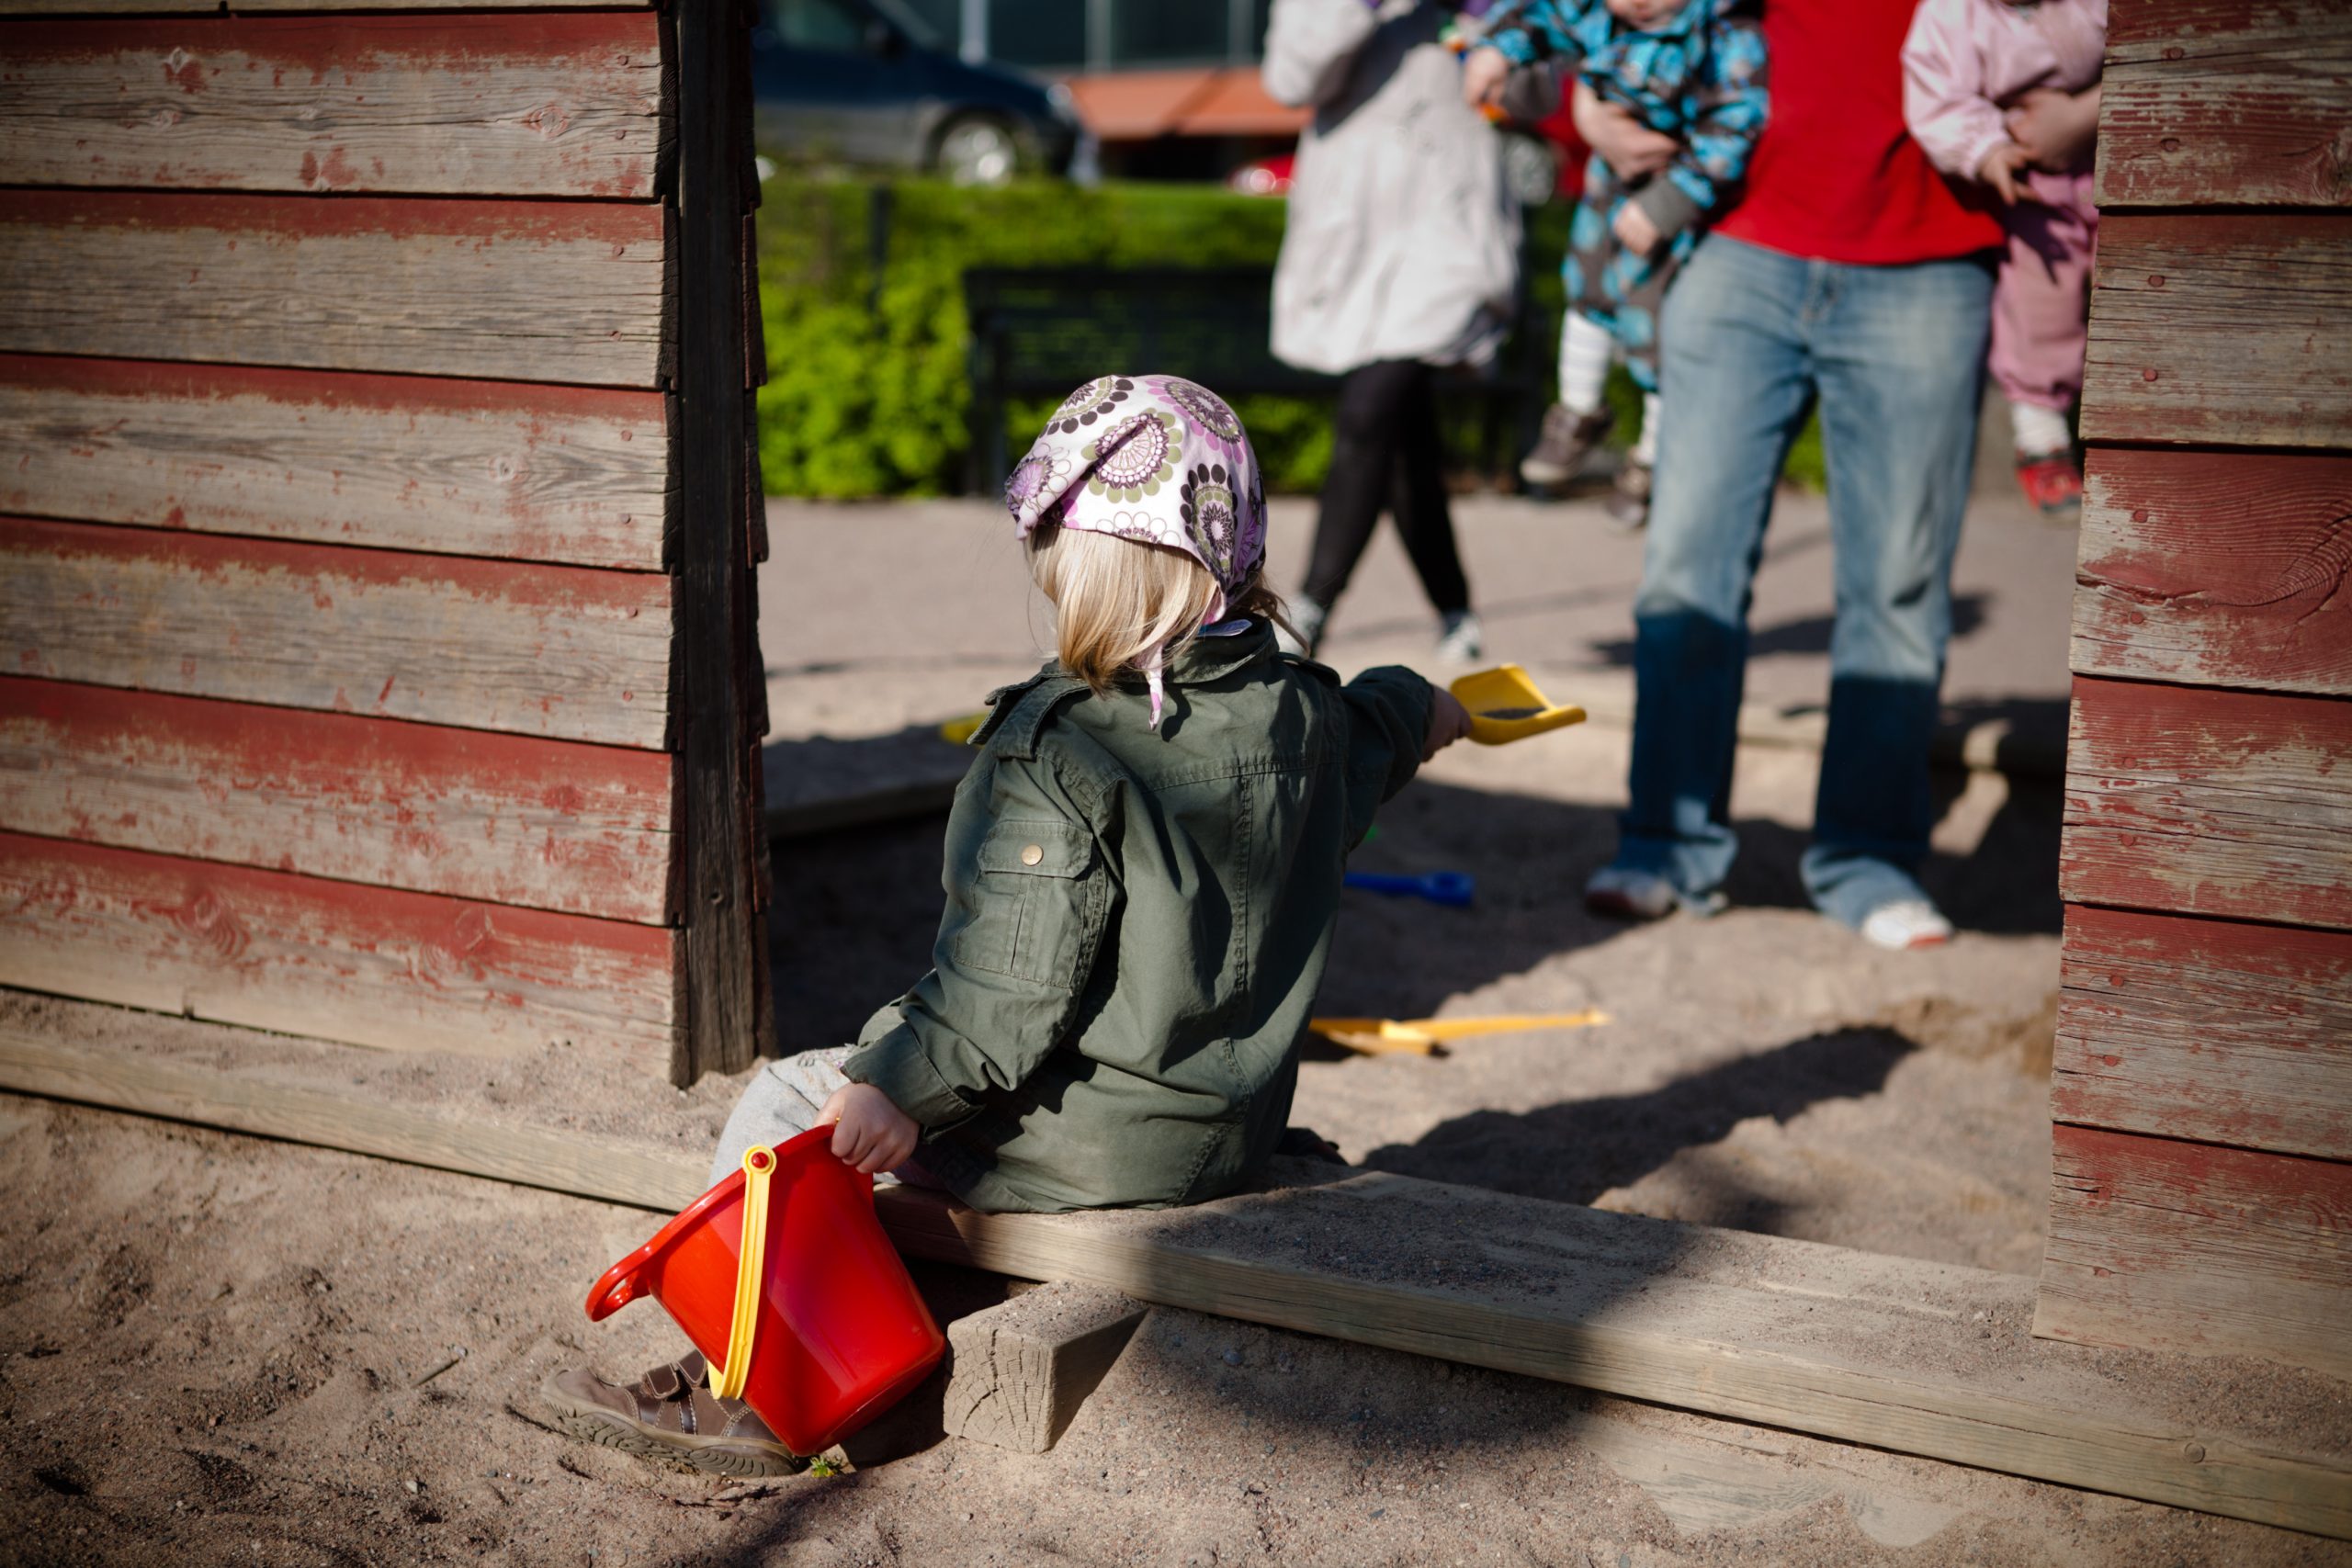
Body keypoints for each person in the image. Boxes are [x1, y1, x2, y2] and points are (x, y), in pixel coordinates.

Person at [543, 374, 1473, 1473]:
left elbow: (1008, 990)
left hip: (1082, 1143)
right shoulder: (1305, 712)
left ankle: (765, 1388)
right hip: (1225, 1131)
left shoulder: (1066, 747)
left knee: (788, 1099)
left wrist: (903, 1087)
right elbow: (1380, 725)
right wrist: (1436, 706)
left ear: (1100, 574)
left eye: (1059, 564)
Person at [1577, 0, 2003, 951]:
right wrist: (1584, 103)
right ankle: (1665, 845)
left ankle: (1868, 859)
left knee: (1898, 581)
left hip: (1933, 250)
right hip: (1736, 243)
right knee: (1686, 568)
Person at [1262, 0, 1553, 661]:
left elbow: (1537, 97)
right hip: (1356, 234)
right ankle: (1455, 610)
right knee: (1403, 433)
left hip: (1450, 230)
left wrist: (1495, 34)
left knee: (1371, 409)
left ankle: (1310, 606)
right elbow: (1290, 81)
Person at [1464, 0, 1769, 528]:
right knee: (1586, 289)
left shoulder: (1720, 31)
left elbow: (1735, 123)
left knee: (1657, 324)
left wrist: (1672, 199)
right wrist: (1495, 51)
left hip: (1677, 198)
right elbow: (1538, 18)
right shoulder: (1595, 14)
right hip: (1610, 188)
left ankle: (1652, 458)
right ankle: (1578, 413)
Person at [1903, 0, 2107, 522]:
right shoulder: (1956, 12)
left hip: (2124, 147)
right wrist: (1986, 149)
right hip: (2035, 175)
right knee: (2041, 295)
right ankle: (2040, 426)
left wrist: (2088, 112)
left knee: (2146, 291)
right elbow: (1939, 93)